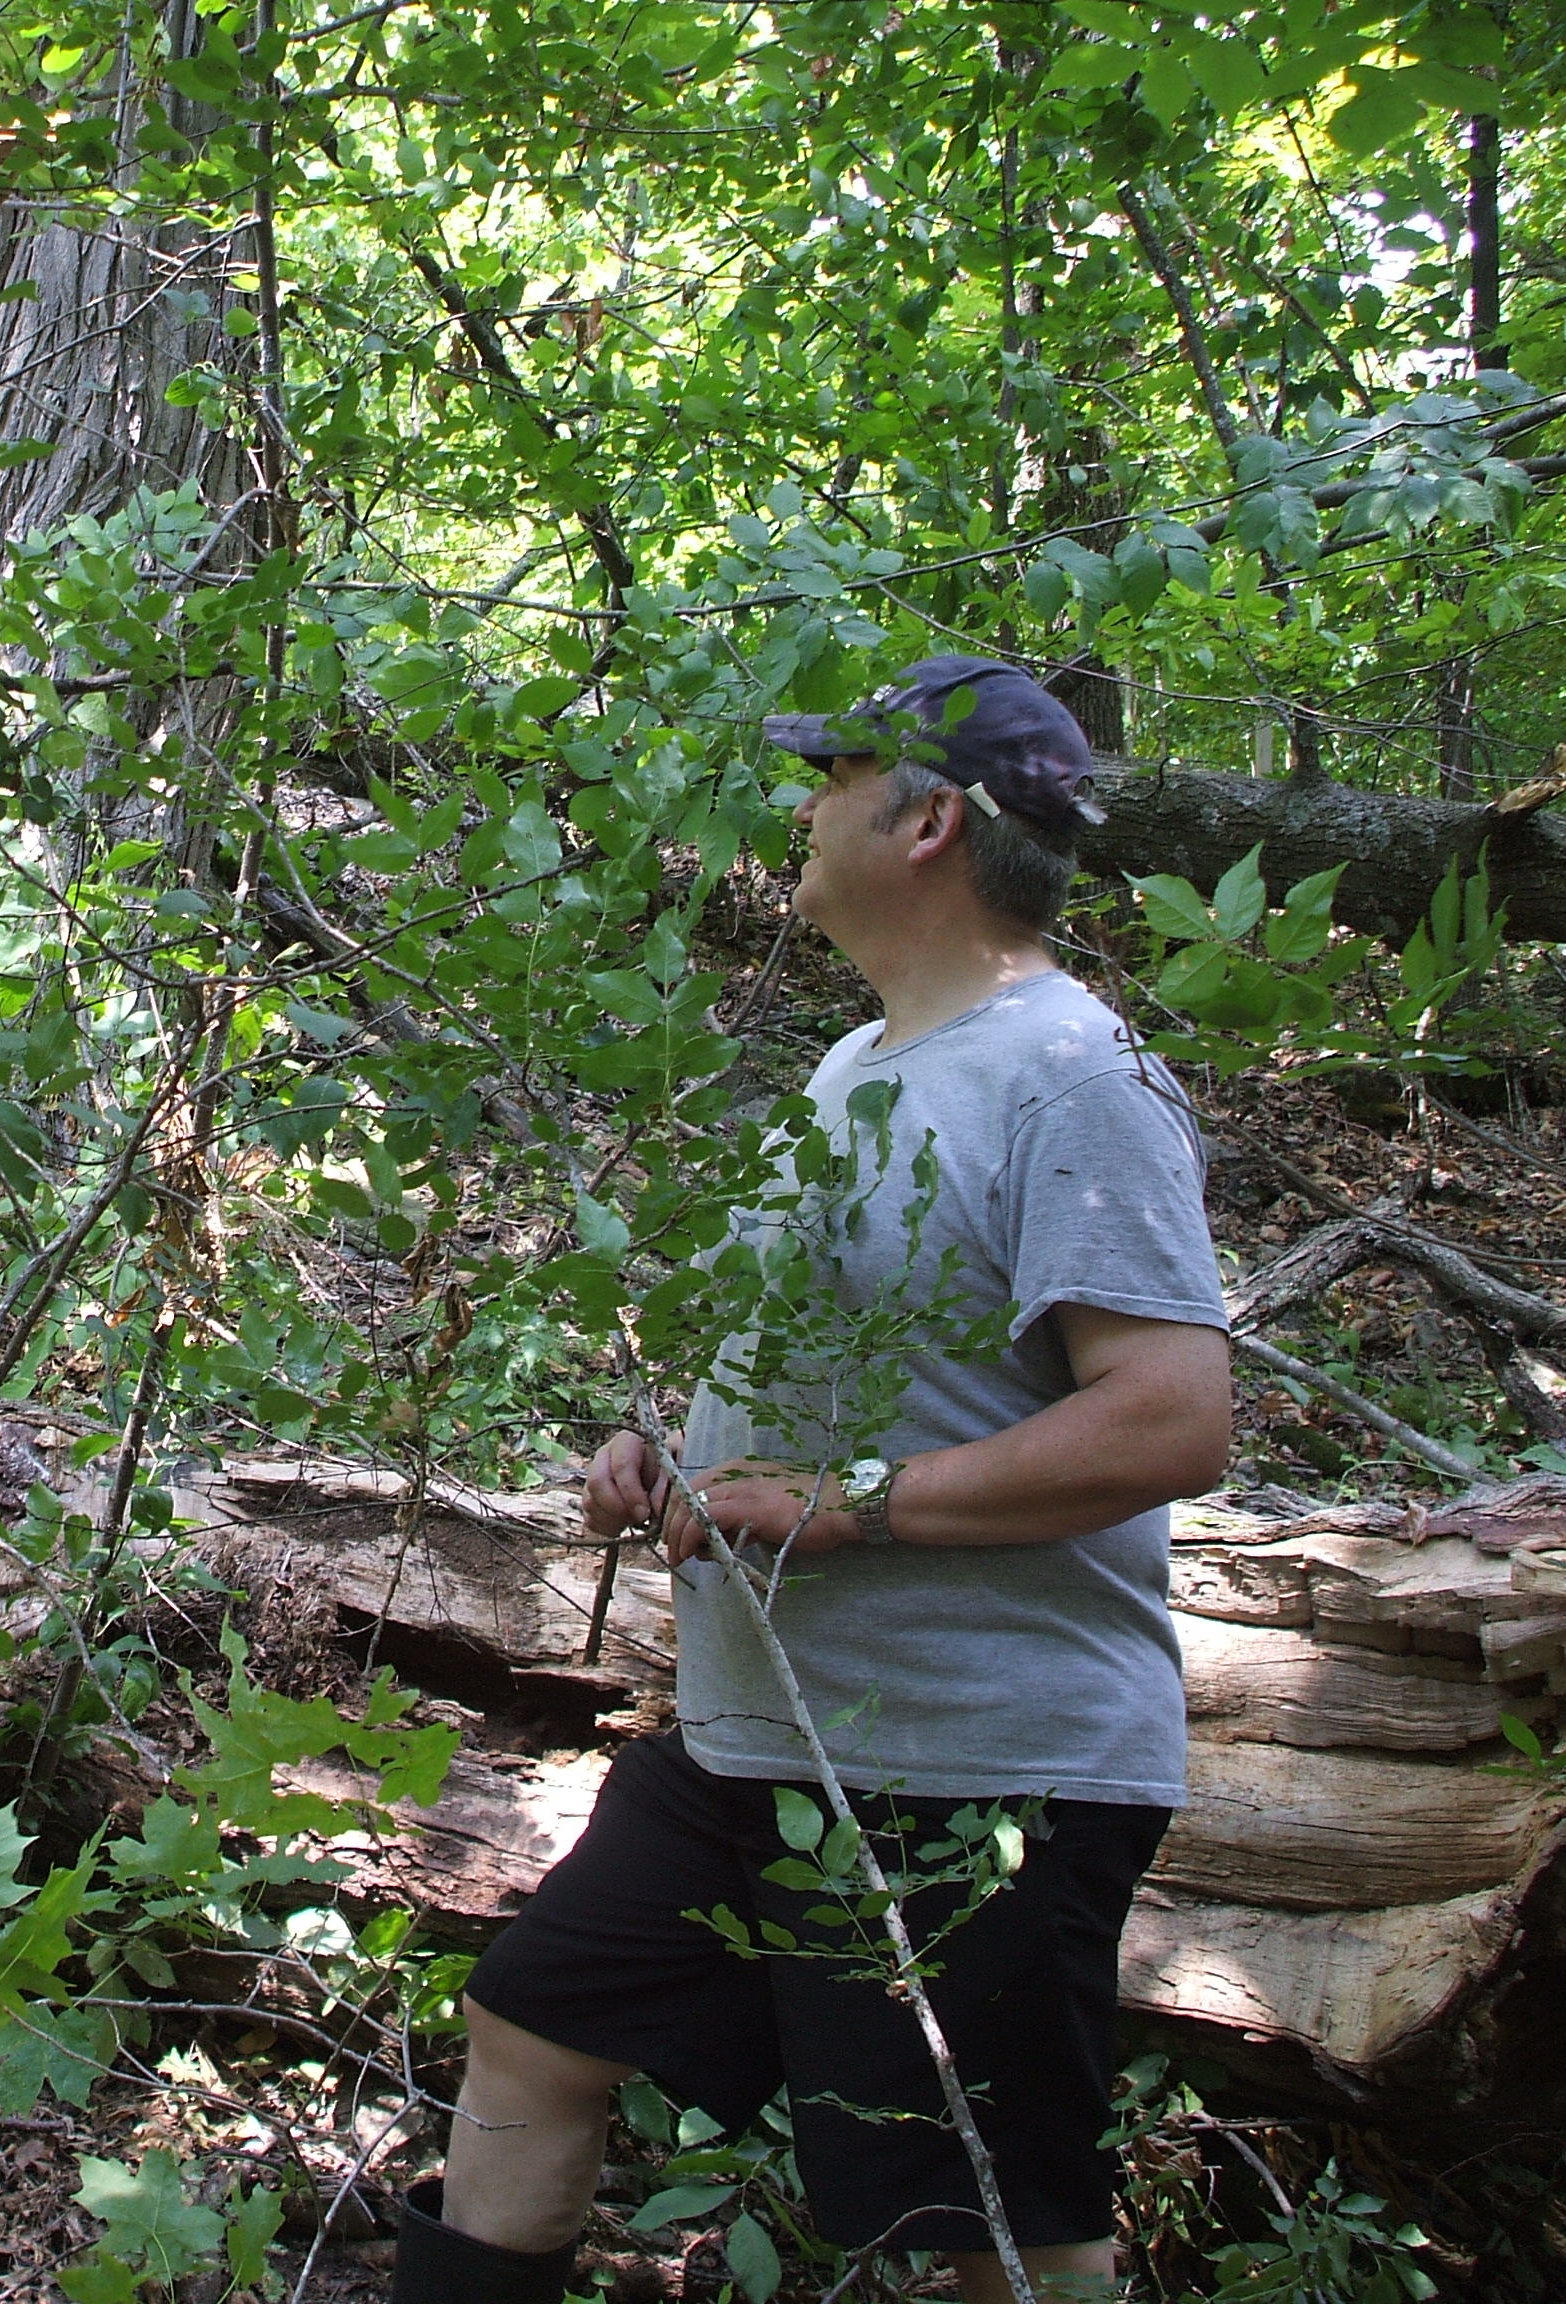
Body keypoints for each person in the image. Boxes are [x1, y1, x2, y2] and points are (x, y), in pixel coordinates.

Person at [389, 658, 1235, 2304]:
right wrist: (675, 1453)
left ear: (929, 824)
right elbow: (844, 1370)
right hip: (760, 1742)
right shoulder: (860, 1063)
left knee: (998, 2224)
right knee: (535, 2025)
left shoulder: (1077, 1075)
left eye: (834, 775)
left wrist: (847, 1502)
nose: (801, 803)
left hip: (977, 1774)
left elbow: (1167, 1421)